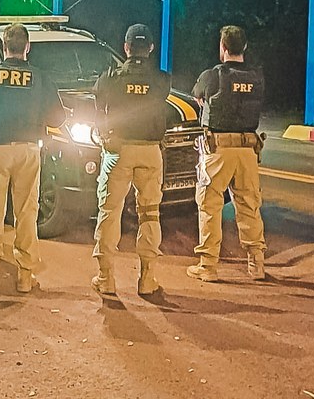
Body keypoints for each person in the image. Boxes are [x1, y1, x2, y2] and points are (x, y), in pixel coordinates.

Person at [0, 23, 66, 294]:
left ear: (3, 47)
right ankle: (25, 277)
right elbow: (58, 118)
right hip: (29, 150)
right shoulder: (40, 78)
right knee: (27, 212)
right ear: (27, 48)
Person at [91, 23, 171, 297]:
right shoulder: (162, 80)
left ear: (126, 48)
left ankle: (106, 278)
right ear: (150, 48)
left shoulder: (110, 77)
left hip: (119, 151)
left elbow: (98, 103)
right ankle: (147, 279)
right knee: (150, 214)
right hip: (150, 151)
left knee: (110, 212)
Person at [187, 25, 266, 283]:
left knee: (210, 205)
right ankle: (256, 264)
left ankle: (208, 266)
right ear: (244, 47)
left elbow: (198, 96)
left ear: (222, 48)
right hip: (248, 150)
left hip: (218, 149)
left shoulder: (212, 76)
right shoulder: (257, 76)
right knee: (249, 205)